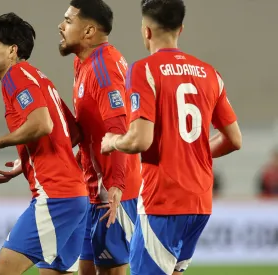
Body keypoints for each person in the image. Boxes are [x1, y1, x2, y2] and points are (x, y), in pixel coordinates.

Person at [100, 0, 242, 274]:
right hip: (200, 203)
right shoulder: (210, 73)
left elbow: (140, 140)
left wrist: (112, 142)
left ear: (146, 31)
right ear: (181, 29)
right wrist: (190, 152)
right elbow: (234, 139)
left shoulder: (142, 70)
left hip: (163, 200)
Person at [0, 12, 88, 275]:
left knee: (2, 270)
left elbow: (43, 124)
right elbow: (73, 133)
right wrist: (27, 160)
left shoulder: (16, 75)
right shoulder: (38, 77)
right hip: (76, 196)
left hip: (57, 195)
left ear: (12, 50)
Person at [56, 1, 142, 275]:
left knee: (110, 270)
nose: (61, 26)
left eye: (68, 21)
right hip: (93, 190)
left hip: (113, 194)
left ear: (89, 30)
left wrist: (116, 186)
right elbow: (88, 133)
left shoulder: (103, 68)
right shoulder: (83, 64)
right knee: (86, 269)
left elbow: (119, 127)